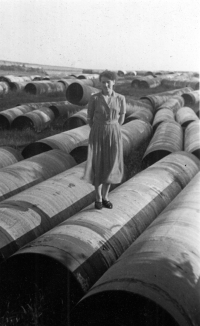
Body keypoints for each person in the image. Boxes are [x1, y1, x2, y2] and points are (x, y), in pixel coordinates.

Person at [83, 70, 126, 209]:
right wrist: (97, 129)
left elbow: (122, 117)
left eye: (108, 81)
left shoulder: (120, 98)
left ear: (114, 82)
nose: (106, 84)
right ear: (100, 83)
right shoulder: (94, 98)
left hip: (114, 134)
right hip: (98, 133)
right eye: (103, 82)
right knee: (98, 165)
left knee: (111, 165)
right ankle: (98, 198)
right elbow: (89, 118)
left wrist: (114, 128)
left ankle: (106, 196)